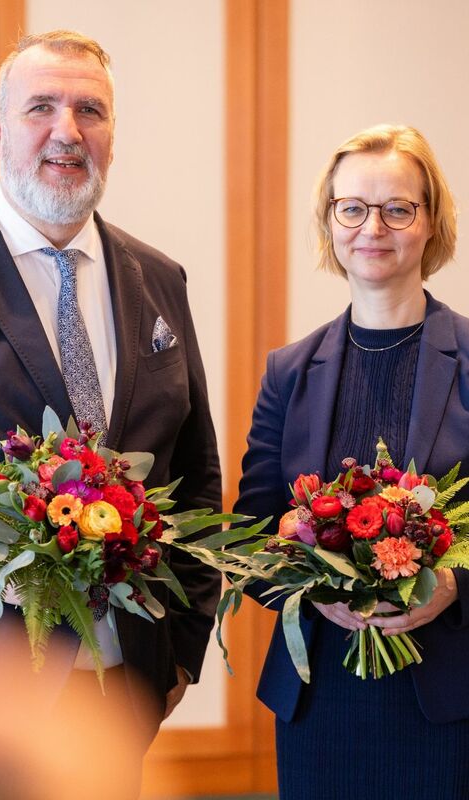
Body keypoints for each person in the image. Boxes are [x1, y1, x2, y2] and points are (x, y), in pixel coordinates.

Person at [0, 29, 221, 755]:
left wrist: (181, 651)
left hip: (121, 687)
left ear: (112, 134)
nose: (68, 132)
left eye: (90, 110)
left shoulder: (161, 280)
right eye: (41, 108)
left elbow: (195, 473)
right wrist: (0, 562)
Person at [234, 124, 469, 799]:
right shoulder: (289, 371)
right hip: (321, 699)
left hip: (449, 697)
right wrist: (307, 576)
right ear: (330, 222)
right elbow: (251, 535)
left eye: (398, 208)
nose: (373, 227)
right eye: (352, 208)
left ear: (431, 224)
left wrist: (451, 587)